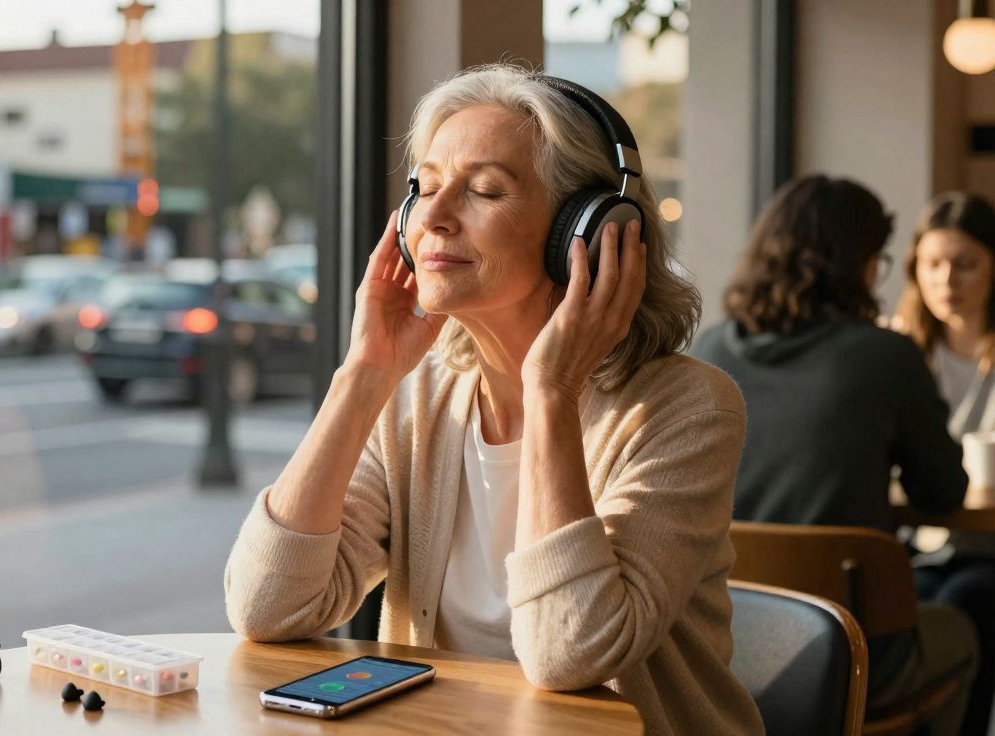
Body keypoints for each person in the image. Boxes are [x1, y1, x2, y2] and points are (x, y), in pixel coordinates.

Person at [224, 65, 763, 735]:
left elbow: (569, 651)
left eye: (483, 190)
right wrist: (363, 374)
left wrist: (551, 392)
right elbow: (268, 607)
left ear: (586, 232)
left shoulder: (686, 409)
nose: (433, 217)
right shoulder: (418, 396)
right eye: (424, 188)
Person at [690, 175, 978, 734]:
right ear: (859, 265)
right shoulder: (886, 355)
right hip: (853, 649)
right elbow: (943, 491)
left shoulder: (710, 348)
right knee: (967, 623)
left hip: (718, 646)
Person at [895, 191, 995, 736]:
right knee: (912, 598)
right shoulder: (899, 351)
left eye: (966, 263)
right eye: (932, 263)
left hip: (988, 548)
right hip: (920, 544)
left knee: (965, 599)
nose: (947, 279)